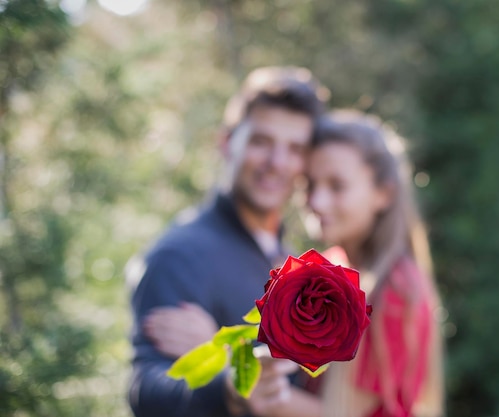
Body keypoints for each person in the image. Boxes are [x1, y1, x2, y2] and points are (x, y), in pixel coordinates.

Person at [126, 66, 329, 417]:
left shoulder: (292, 260)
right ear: (226, 142)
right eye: (261, 142)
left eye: (294, 148)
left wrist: (223, 351)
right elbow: (145, 389)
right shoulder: (180, 255)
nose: (277, 163)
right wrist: (231, 387)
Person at [305, 109, 446, 417]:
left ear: (383, 193)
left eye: (337, 186)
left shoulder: (397, 290)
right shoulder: (331, 264)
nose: (316, 201)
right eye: (310, 185)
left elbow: (341, 412)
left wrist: (257, 392)